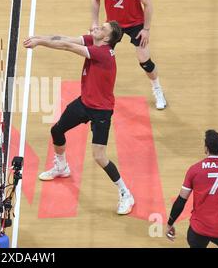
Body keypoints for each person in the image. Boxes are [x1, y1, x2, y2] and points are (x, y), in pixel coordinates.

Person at [23, 21, 135, 215]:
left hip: (101, 110)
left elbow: (67, 46)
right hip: (85, 103)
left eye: (103, 28)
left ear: (107, 38)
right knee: (57, 130)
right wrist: (39, 37)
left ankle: (126, 193)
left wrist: (39, 43)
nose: (98, 27)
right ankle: (62, 167)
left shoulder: (103, 53)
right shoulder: (95, 41)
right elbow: (65, 38)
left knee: (99, 156)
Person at [91, 0, 167, 110]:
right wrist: (94, 23)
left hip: (135, 24)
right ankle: (96, 92)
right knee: (97, 56)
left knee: (145, 61)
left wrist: (146, 29)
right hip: (112, 25)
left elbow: (148, 5)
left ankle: (157, 89)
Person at [166, 130, 218, 248]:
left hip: (199, 229)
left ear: (206, 148)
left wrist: (170, 223)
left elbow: (181, 201)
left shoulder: (194, 170)